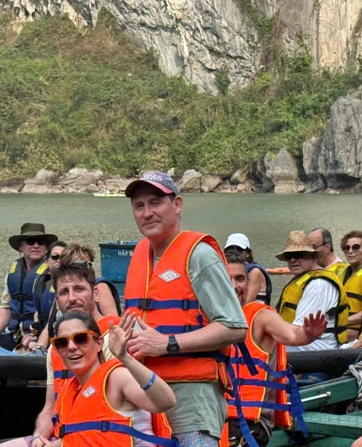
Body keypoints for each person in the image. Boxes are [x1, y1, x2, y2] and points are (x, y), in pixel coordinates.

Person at [121, 171, 248, 447]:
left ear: (177, 205)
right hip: (145, 396)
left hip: (191, 399)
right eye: (139, 206)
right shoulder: (140, 256)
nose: (146, 212)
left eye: (155, 202)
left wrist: (167, 344)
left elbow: (235, 326)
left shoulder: (200, 255)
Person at [1, 262, 122, 447]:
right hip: (62, 435)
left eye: (79, 289)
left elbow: (111, 412)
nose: (72, 298)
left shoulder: (114, 339)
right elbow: (49, 408)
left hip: (99, 437)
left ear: (96, 294)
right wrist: (38, 438)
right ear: (57, 301)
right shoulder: (55, 347)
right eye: (64, 292)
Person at [223, 251, 326, 446]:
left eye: (240, 279)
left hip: (249, 422)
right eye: (227, 279)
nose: (235, 286)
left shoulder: (260, 316)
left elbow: (292, 334)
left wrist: (309, 334)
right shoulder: (207, 318)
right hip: (215, 418)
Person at [55, 311, 178, 447]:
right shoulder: (70, 393)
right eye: (62, 342)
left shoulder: (117, 377)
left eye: (81, 338)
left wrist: (124, 357)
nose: (71, 347)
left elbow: (167, 402)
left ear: (99, 343)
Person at [0, 223, 57, 350]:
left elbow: (55, 314)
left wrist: (39, 336)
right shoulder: (12, 273)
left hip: (38, 337)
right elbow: (5, 307)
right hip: (15, 334)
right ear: (20, 247)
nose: (36, 246)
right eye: (30, 241)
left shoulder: (52, 274)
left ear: (46, 248)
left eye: (41, 242)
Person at [275, 230, 350, 350]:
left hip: (315, 349)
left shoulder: (319, 285)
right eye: (289, 257)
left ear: (313, 257)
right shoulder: (302, 280)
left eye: (299, 255)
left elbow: (300, 331)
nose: (293, 260)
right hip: (299, 344)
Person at [58, 243, 122, 317]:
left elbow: (112, 322)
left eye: (89, 265)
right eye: (80, 265)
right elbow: (48, 327)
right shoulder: (61, 291)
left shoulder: (101, 287)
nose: (87, 269)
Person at [224, 233, 272, 305]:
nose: (235, 252)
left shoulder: (255, 271)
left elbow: (246, 302)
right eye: (230, 250)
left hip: (254, 314)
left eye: (239, 249)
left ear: (248, 253)